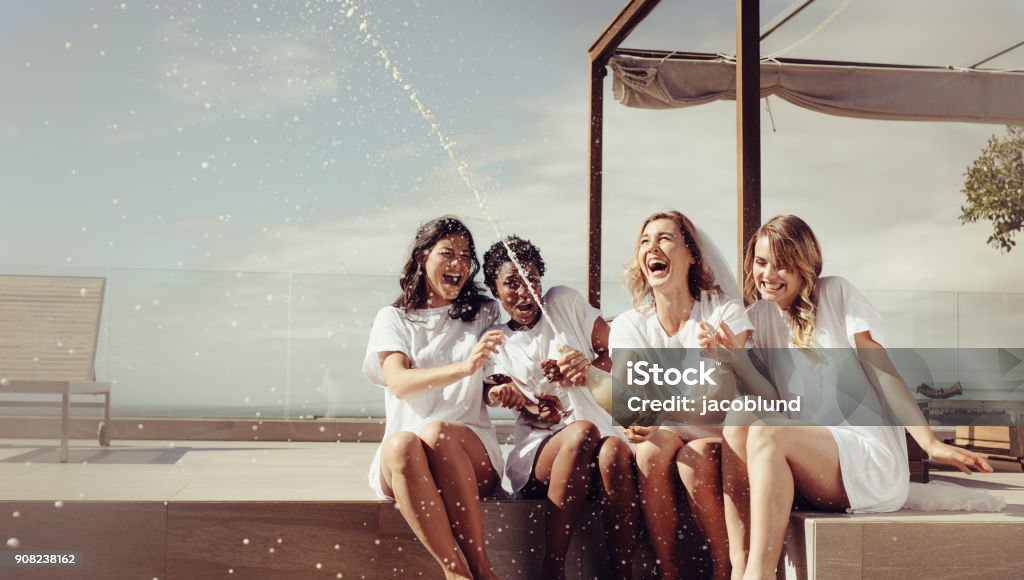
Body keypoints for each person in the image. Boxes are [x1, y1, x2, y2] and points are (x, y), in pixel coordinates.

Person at [719, 214, 993, 580]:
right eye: (761, 262)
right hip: (813, 458)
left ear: (804, 266)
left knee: (767, 432)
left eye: (782, 264)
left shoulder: (836, 293)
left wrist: (929, 443)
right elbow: (770, 397)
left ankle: (759, 575)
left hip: (867, 457)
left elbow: (884, 372)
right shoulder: (758, 317)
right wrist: (734, 359)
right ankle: (741, 563)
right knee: (740, 416)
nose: (768, 274)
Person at [482, 235, 639, 580]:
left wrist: (588, 370)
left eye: (533, 279)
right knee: (582, 432)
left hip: (596, 445)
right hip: (541, 458)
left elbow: (621, 349)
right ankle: (552, 568)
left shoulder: (562, 303)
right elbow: (495, 391)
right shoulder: (496, 339)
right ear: (494, 289)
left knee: (613, 450)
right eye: (511, 283)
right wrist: (526, 402)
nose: (526, 291)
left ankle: (622, 572)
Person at [609, 211, 753, 580]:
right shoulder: (629, 324)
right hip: (667, 430)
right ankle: (667, 570)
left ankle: (725, 569)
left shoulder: (723, 311)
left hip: (724, 430)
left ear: (691, 253)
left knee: (695, 458)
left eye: (664, 238)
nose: (652, 247)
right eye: (645, 241)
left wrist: (655, 412)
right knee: (650, 450)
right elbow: (627, 394)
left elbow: (720, 398)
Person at [362, 216, 505, 580]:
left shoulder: (483, 312)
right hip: (407, 461)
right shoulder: (393, 318)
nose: (458, 263)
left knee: (438, 432)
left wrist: (507, 391)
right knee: (401, 445)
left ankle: (482, 568)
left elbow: (493, 381)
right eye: (447, 253)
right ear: (423, 256)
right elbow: (399, 382)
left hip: (470, 451)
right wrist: (464, 367)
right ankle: (456, 573)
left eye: (465, 255)